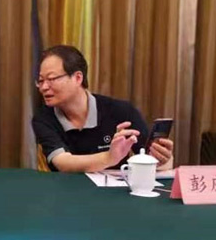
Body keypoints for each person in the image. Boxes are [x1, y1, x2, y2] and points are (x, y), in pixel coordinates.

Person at [32, 45, 173, 173]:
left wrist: (162, 159)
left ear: (78, 78)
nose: (44, 87)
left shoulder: (121, 111)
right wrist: (109, 157)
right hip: (65, 191)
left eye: (51, 79)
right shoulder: (43, 118)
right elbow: (63, 163)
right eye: (41, 80)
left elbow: (151, 159)